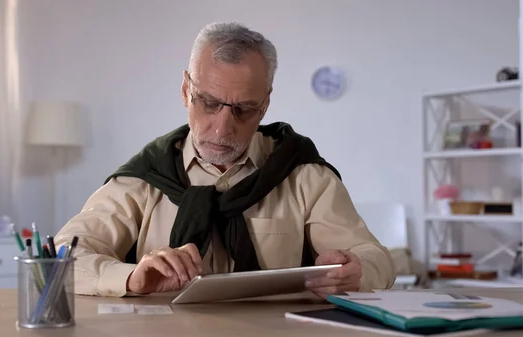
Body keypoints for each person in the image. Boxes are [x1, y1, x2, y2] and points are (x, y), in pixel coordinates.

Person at [54, 21, 396, 298]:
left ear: (265, 104)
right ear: (186, 90)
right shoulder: (142, 180)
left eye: (244, 110)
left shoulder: (304, 176)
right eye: (208, 103)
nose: (221, 129)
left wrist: (357, 270)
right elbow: (58, 262)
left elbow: (376, 258)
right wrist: (131, 278)